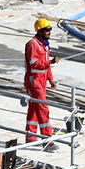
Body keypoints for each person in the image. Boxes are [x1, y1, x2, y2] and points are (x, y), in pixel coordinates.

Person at [24, 18, 59, 150]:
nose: (49, 32)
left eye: (50, 29)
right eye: (46, 30)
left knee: (34, 108)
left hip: (42, 80)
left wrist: (51, 79)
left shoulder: (44, 44)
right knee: (43, 108)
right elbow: (34, 63)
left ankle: (30, 137)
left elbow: (45, 67)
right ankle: (47, 140)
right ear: (39, 30)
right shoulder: (32, 44)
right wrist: (51, 62)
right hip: (34, 80)